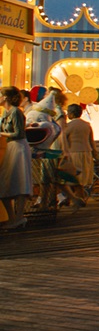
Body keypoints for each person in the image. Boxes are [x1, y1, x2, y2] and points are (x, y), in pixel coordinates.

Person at [0, 86, 33, 229]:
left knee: (19, 180)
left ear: (6, 97)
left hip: (18, 147)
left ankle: (18, 217)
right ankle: (13, 218)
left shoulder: (15, 112)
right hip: (11, 147)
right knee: (6, 182)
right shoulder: (5, 113)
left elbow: (19, 133)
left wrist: (3, 134)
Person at [59, 103, 95, 209]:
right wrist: (95, 154)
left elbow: (64, 140)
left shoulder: (68, 126)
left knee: (74, 178)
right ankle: (73, 198)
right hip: (87, 152)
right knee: (81, 178)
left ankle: (78, 199)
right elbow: (91, 141)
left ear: (71, 114)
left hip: (74, 153)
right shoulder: (87, 125)